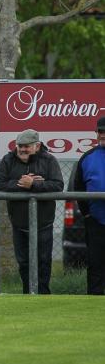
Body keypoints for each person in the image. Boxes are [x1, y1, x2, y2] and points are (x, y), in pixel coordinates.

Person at [0, 129, 63, 294]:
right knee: (24, 262)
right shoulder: (8, 160)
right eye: (20, 146)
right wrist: (20, 183)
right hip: (19, 223)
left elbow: (58, 185)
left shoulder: (49, 160)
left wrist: (34, 185)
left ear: (37, 146)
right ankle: (27, 293)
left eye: (26, 146)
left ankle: (43, 294)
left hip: (43, 223)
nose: (22, 150)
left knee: (43, 261)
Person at [72, 115, 105, 295]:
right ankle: (95, 299)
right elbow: (79, 187)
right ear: (96, 133)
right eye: (100, 131)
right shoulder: (87, 157)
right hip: (96, 221)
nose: (103, 135)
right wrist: (86, 214)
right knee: (95, 264)